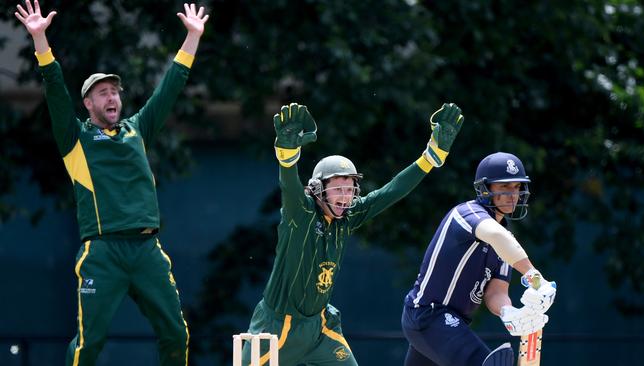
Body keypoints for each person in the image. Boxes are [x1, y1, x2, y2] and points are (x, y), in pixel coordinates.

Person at [14, 1, 209, 364]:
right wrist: (40, 39)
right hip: (103, 253)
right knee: (90, 344)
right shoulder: (76, 140)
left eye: (115, 91)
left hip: (147, 250)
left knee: (176, 334)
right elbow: (55, 89)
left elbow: (170, 87)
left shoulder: (138, 128)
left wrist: (192, 37)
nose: (112, 96)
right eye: (102, 93)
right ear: (88, 104)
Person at [239, 102, 464, 365]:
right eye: (338, 189)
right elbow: (288, 185)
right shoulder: (299, 214)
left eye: (350, 189)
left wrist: (431, 156)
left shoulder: (347, 217)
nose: (345, 197)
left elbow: (390, 191)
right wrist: (287, 155)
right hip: (277, 328)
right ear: (317, 188)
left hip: (319, 329)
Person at [401, 151, 558, 366]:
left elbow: (496, 291)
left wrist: (509, 312)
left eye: (516, 187)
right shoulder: (466, 213)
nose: (512, 194)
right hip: (429, 314)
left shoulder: (506, 241)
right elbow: (495, 235)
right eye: (504, 187)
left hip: (451, 325)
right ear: (485, 189)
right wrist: (535, 277)